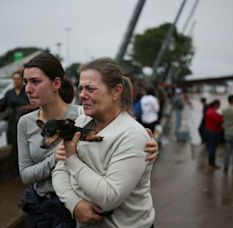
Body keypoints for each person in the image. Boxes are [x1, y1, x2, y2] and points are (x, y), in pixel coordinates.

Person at [17, 53, 158, 227]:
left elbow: (108, 196)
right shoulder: (83, 121)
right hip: (58, 211)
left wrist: (71, 158)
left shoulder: (83, 117)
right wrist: (75, 204)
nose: (82, 95)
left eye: (90, 89)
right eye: (81, 88)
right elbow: (58, 171)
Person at [0, 71, 37, 174]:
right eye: (14, 79)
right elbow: (1, 108)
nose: (15, 81)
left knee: (28, 143)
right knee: (14, 143)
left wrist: (27, 108)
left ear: (22, 80)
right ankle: (16, 167)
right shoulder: (9, 93)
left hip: (26, 121)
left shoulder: (27, 91)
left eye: (18, 79)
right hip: (13, 122)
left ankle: (29, 166)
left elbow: (36, 105)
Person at [205, 99, 222, 171]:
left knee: (211, 148)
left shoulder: (209, 111)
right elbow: (219, 121)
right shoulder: (212, 112)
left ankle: (212, 164)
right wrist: (222, 117)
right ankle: (211, 164)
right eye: (219, 105)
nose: (219, 106)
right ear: (216, 105)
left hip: (209, 131)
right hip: (213, 132)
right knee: (212, 149)